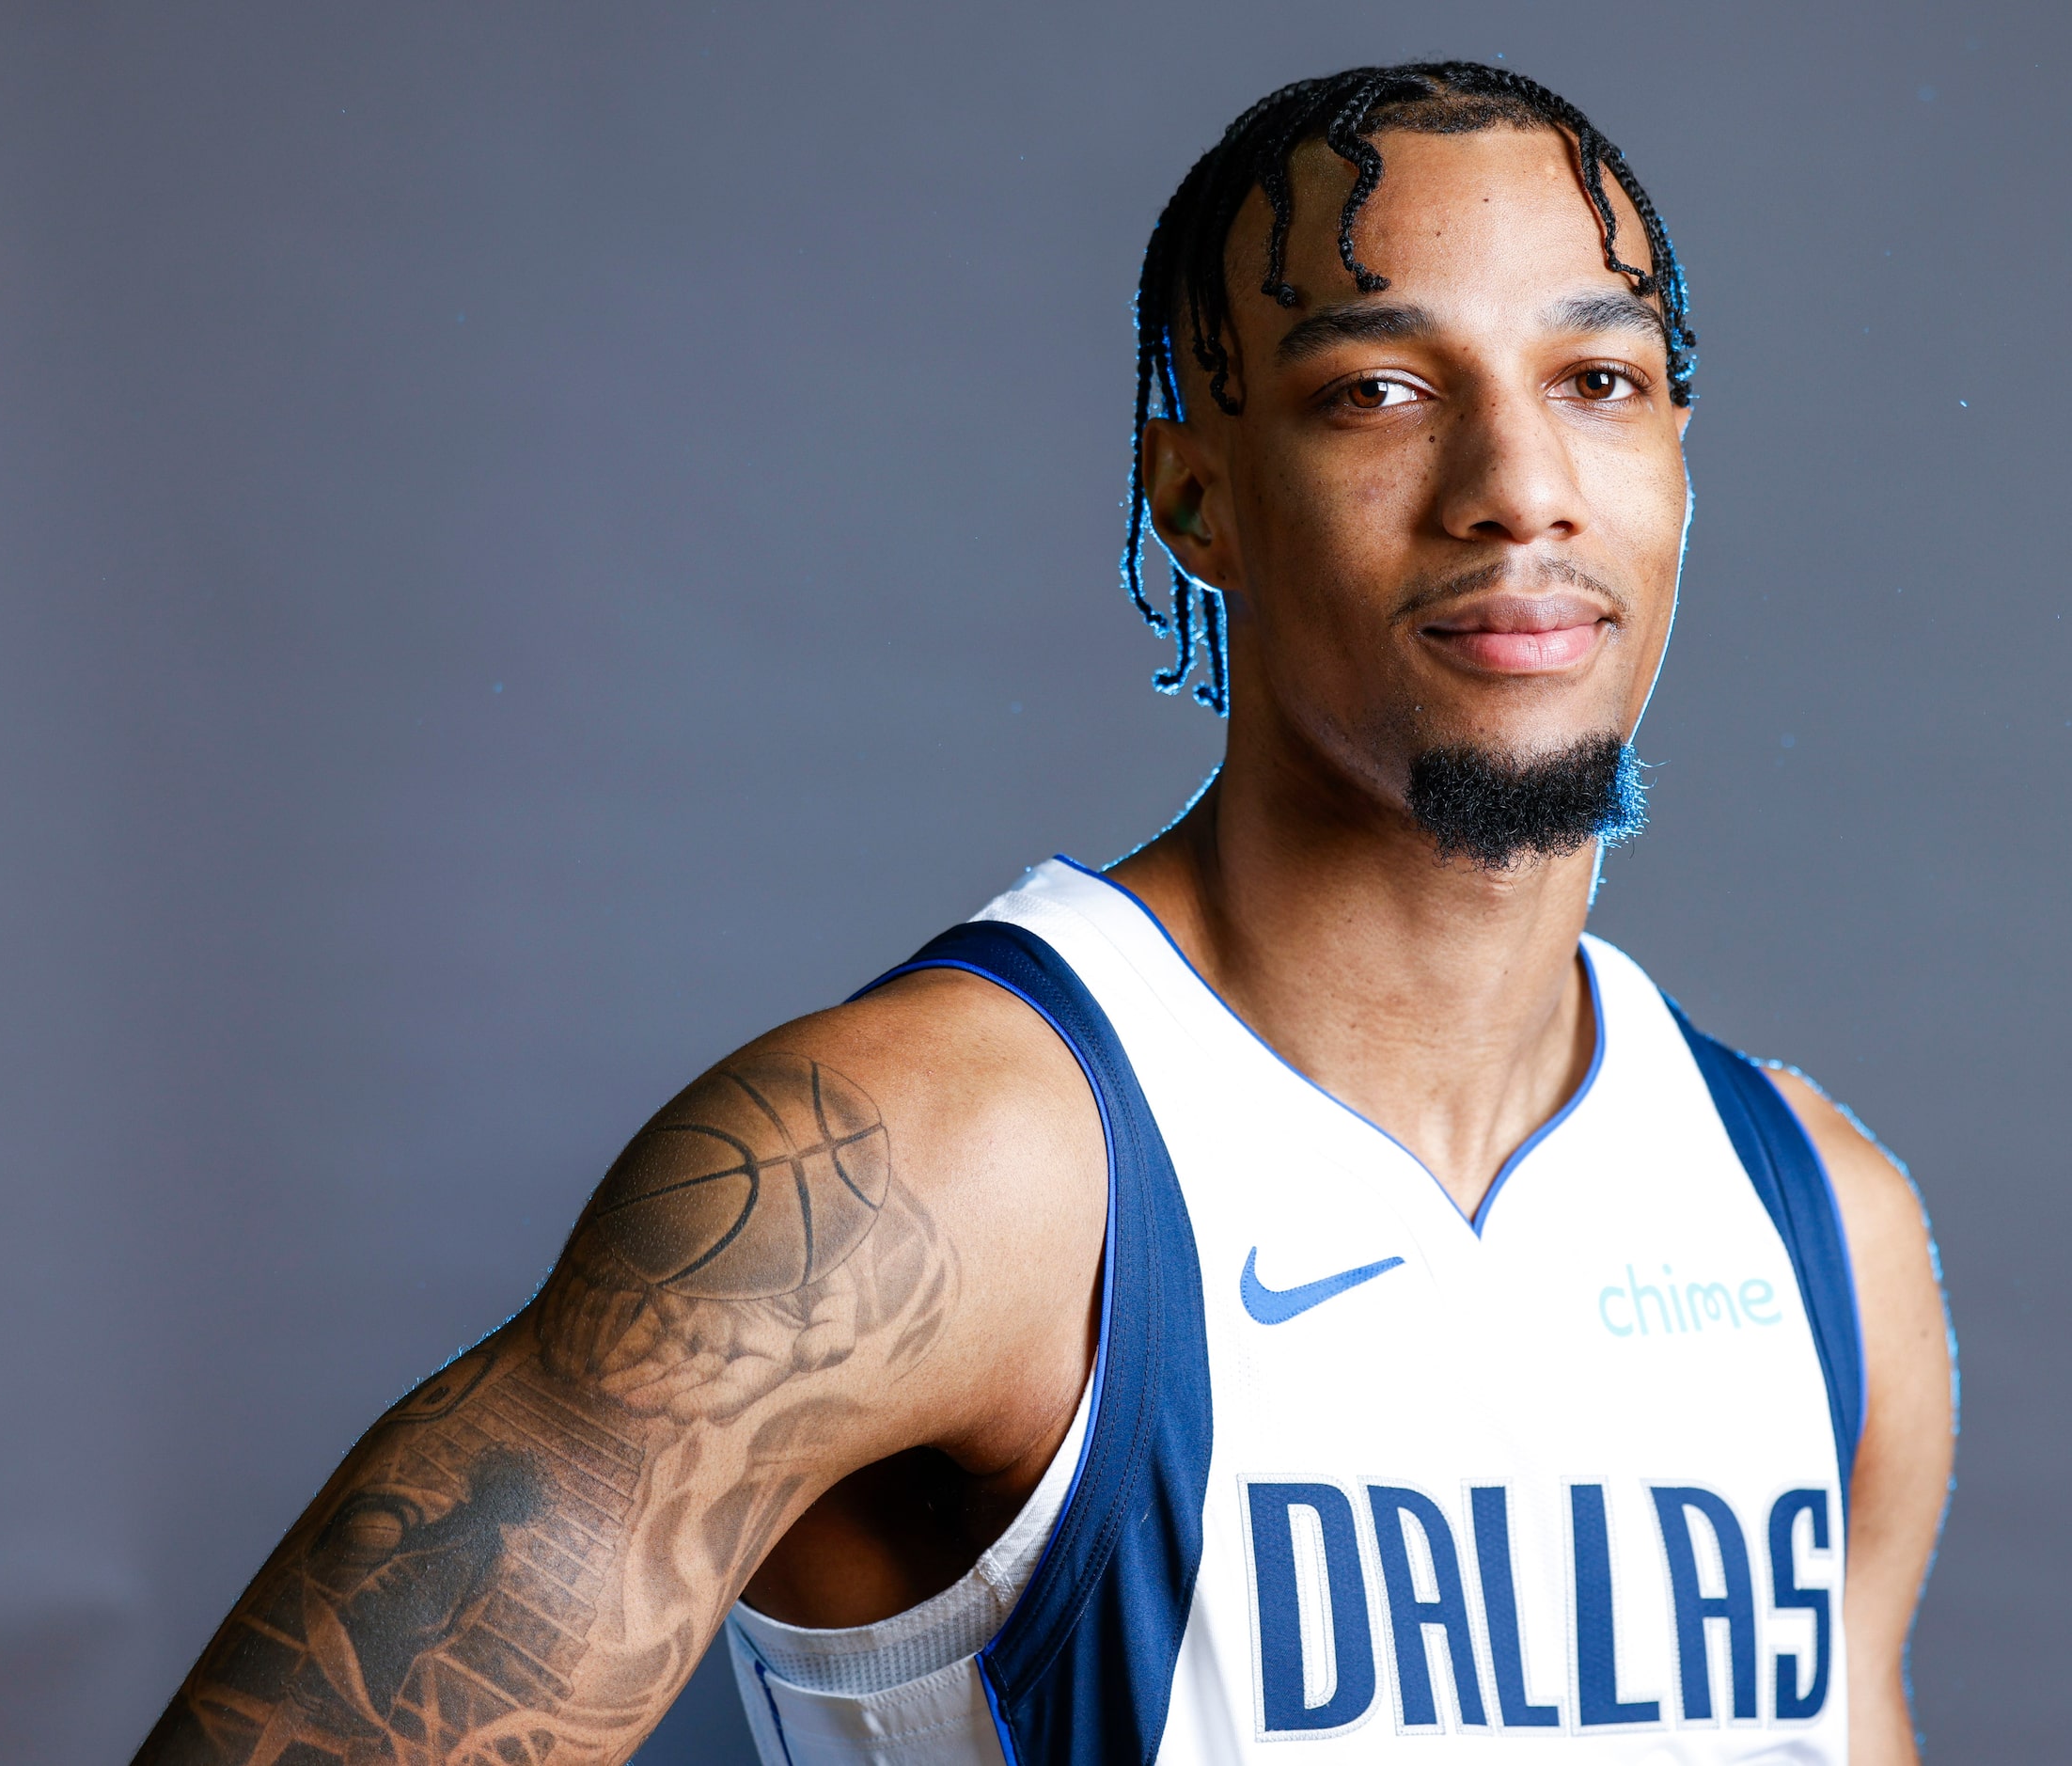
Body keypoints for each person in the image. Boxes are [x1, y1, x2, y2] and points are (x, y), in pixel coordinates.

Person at [136, 60, 1954, 1766]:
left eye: (1597, 380)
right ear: (1198, 497)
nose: (1519, 488)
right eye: (1378, 391)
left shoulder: (1820, 1232)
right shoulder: (922, 1170)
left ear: (1677, 462)